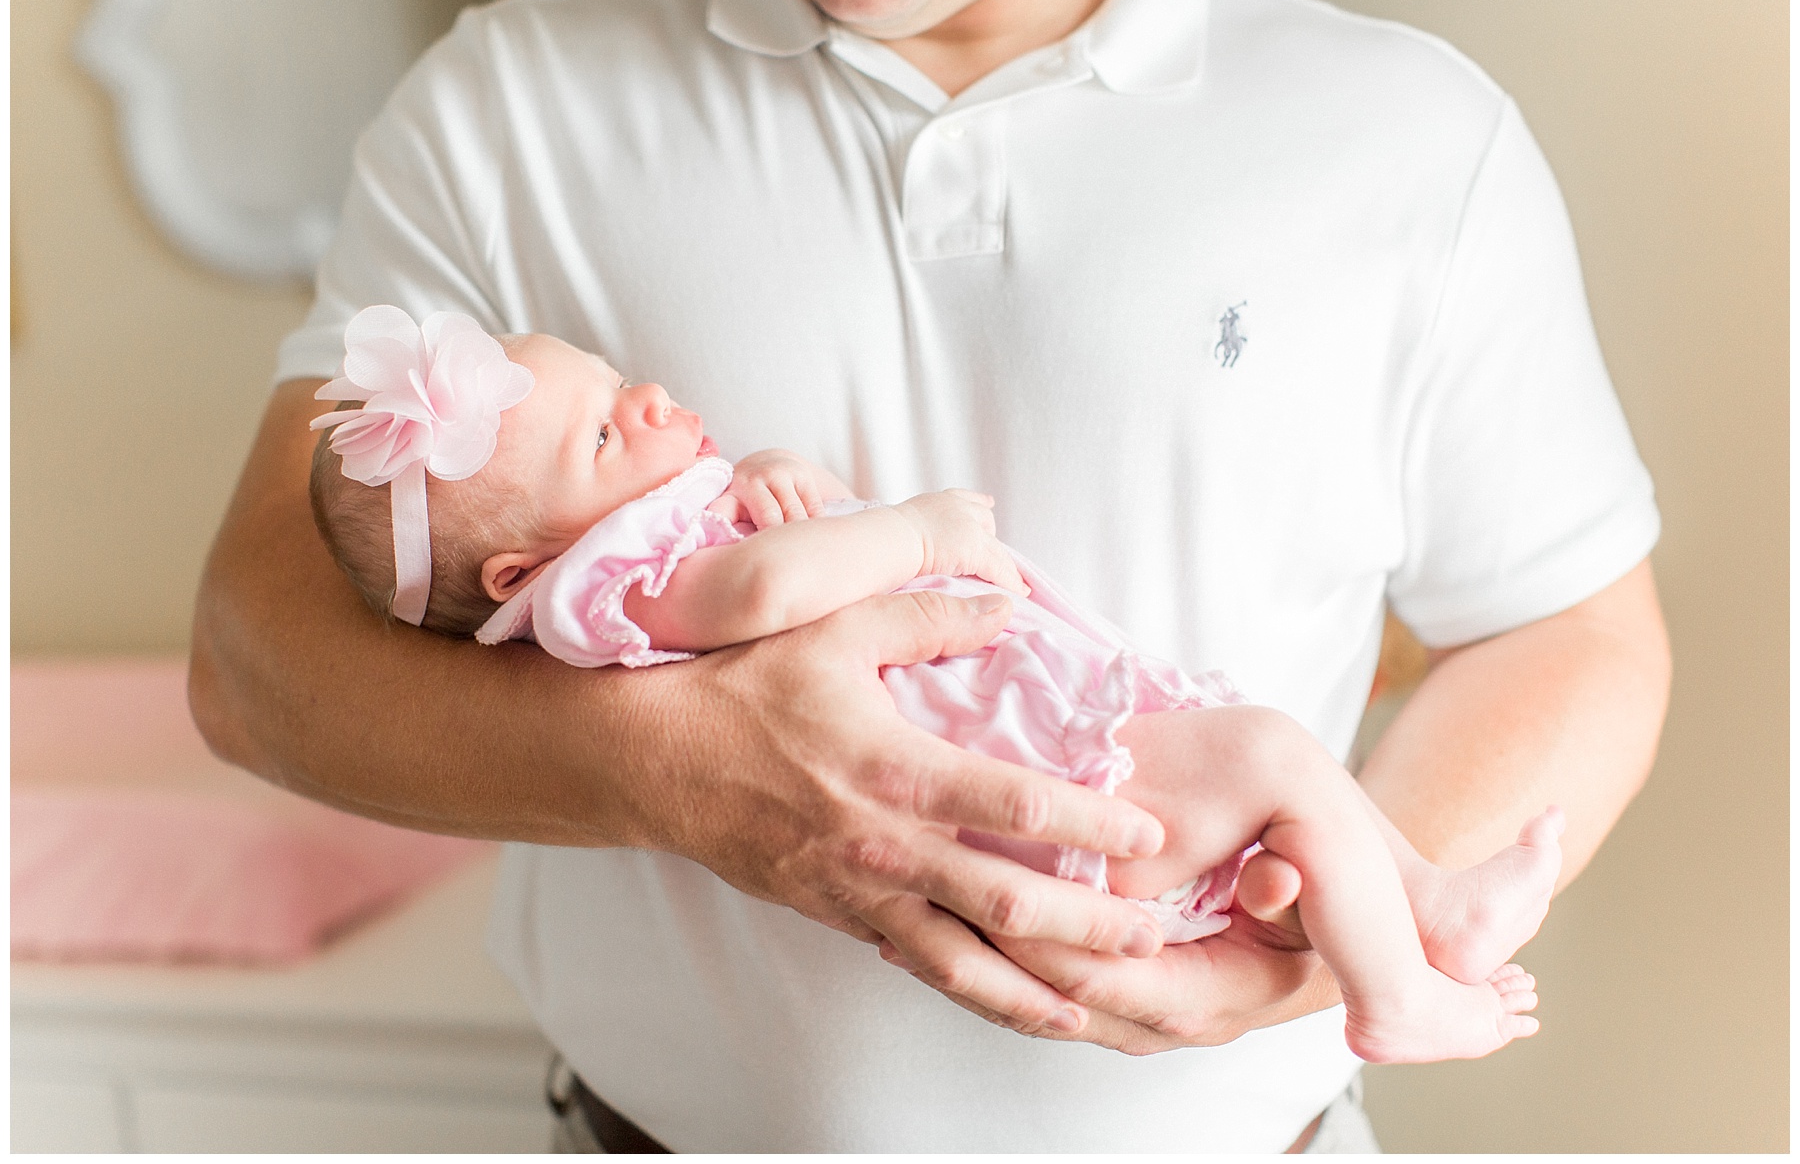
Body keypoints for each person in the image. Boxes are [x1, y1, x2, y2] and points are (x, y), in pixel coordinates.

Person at [190, 0, 1671, 1152]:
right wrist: (685, 768)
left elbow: (1574, 633)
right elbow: (260, 656)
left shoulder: (1411, 130)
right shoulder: (502, 108)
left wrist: (1307, 953)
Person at [310, 312, 1565, 1064]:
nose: (638, 401)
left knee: (1284, 821)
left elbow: (756, 555)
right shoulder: (596, 591)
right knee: (1278, 754)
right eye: (597, 435)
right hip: (1032, 778)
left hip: (1042, 767)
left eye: (605, 377)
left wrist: (779, 476)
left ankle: (1426, 908)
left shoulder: (647, 529)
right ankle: (1398, 992)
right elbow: (753, 597)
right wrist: (912, 534)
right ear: (522, 568)